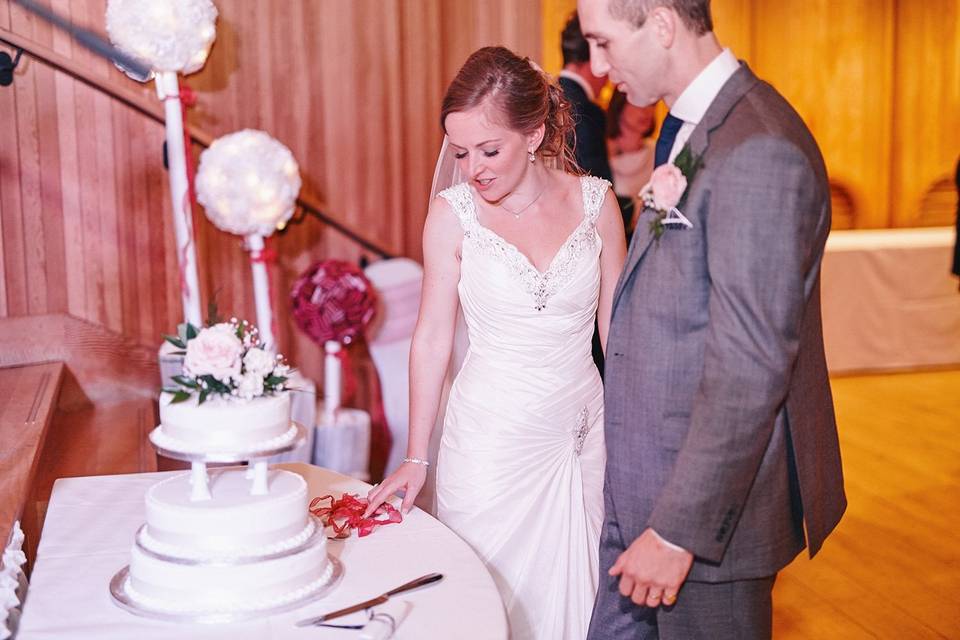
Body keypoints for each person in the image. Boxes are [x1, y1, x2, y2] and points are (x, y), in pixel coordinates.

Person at [577, 1, 847, 638]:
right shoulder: (698, 127)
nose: (598, 66)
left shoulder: (759, 148)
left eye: (604, 42)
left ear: (663, 25)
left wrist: (678, 530)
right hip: (644, 483)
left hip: (699, 523)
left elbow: (751, 365)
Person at [365, 46, 627, 640]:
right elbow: (431, 337)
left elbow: (620, 336)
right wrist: (415, 455)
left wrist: (643, 442)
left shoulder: (598, 203)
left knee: (584, 598)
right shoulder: (451, 216)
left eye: (489, 150)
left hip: (581, 437)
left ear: (533, 135)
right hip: (488, 446)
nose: (472, 168)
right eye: (460, 151)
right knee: (491, 604)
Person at [560, 12, 614, 183]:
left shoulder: (543, 97)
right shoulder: (587, 112)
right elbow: (597, 185)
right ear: (593, 58)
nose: (608, 74)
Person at [606, 88, 656, 236]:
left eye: (652, 104)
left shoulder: (657, 151)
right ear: (620, 104)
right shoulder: (600, 153)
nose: (646, 111)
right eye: (639, 102)